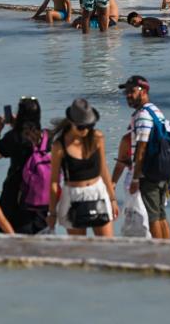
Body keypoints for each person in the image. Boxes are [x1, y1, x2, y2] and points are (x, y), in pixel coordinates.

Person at [47, 99, 118, 237]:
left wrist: (112, 199)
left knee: (108, 246)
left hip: (98, 193)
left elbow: (103, 169)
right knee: (79, 249)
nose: (85, 130)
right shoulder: (59, 146)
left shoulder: (97, 137)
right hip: (73, 197)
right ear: (72, 123)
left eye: (89, 126)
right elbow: (54, 182)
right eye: (81, 127)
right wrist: (52, 213)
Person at [121, 76, 170, 240]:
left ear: (144, 91)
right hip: (162, 170)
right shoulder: (155, 110)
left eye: (132, 91)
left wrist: (136, 178)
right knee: (161, 214)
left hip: (149, 172)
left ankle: (159, 254)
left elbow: (141, 148)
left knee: (152, 217)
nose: (128, 95)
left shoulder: (143, 115)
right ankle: (169, 250)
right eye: (126, 92)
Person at [0, 98, 50, 234]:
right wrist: (17, 125)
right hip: (40, 196)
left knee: (4, 230)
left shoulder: (14, 137)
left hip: (15, 194)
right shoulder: (47, 137)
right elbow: (30, 138)